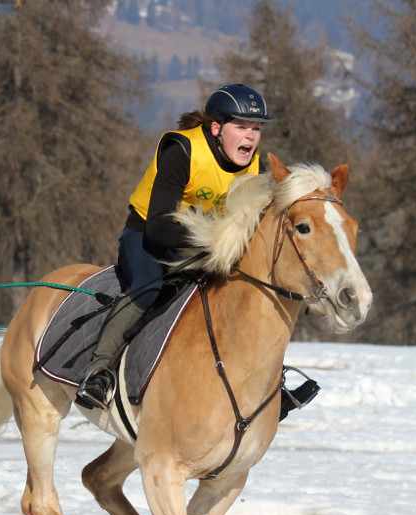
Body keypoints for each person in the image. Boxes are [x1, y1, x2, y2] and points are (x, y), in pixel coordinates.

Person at [75, 83, 272, 410]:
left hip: (206, 244)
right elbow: (159, 227)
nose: (250, 136)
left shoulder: (255, 165)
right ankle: (98, 370)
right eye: (241, 127)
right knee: (149, 290)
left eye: (256, 128)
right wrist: (212, 246)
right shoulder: (182, 150)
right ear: (216, 128)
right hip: (148, 236)